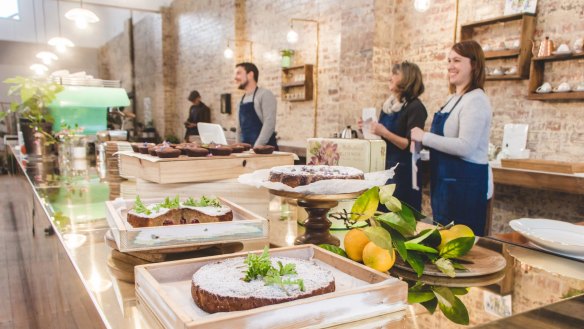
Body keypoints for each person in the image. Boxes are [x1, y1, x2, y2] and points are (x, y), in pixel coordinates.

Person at [410, 40, 492, 235]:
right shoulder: (453, 99)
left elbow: (466, 147)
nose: (450, 66)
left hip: (466, 188)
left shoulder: (476, 100)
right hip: (446, 186)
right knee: (444, 241)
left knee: (461, 245)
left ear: (474, 64)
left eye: (457, 60)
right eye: (448, 61)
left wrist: (425, 137)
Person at [360, 61, 427, 211]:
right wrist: (367, 128)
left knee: (400, 215)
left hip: (404, 174)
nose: (390, 77)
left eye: (395, 74)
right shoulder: (387, 106)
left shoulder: (416, 107)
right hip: (385, 168)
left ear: (408, 79)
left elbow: (410, 144)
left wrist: (384, 132)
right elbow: (381, 138)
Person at [234, 62, 278, 149]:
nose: (235, 77)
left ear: (250, 75)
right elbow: (239, 129)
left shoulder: (265, 94)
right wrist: (238, 148)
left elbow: (269, 123)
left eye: (238, 73)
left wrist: (257, 147)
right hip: (247, 152)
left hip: (264, 152)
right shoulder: (240, 100)